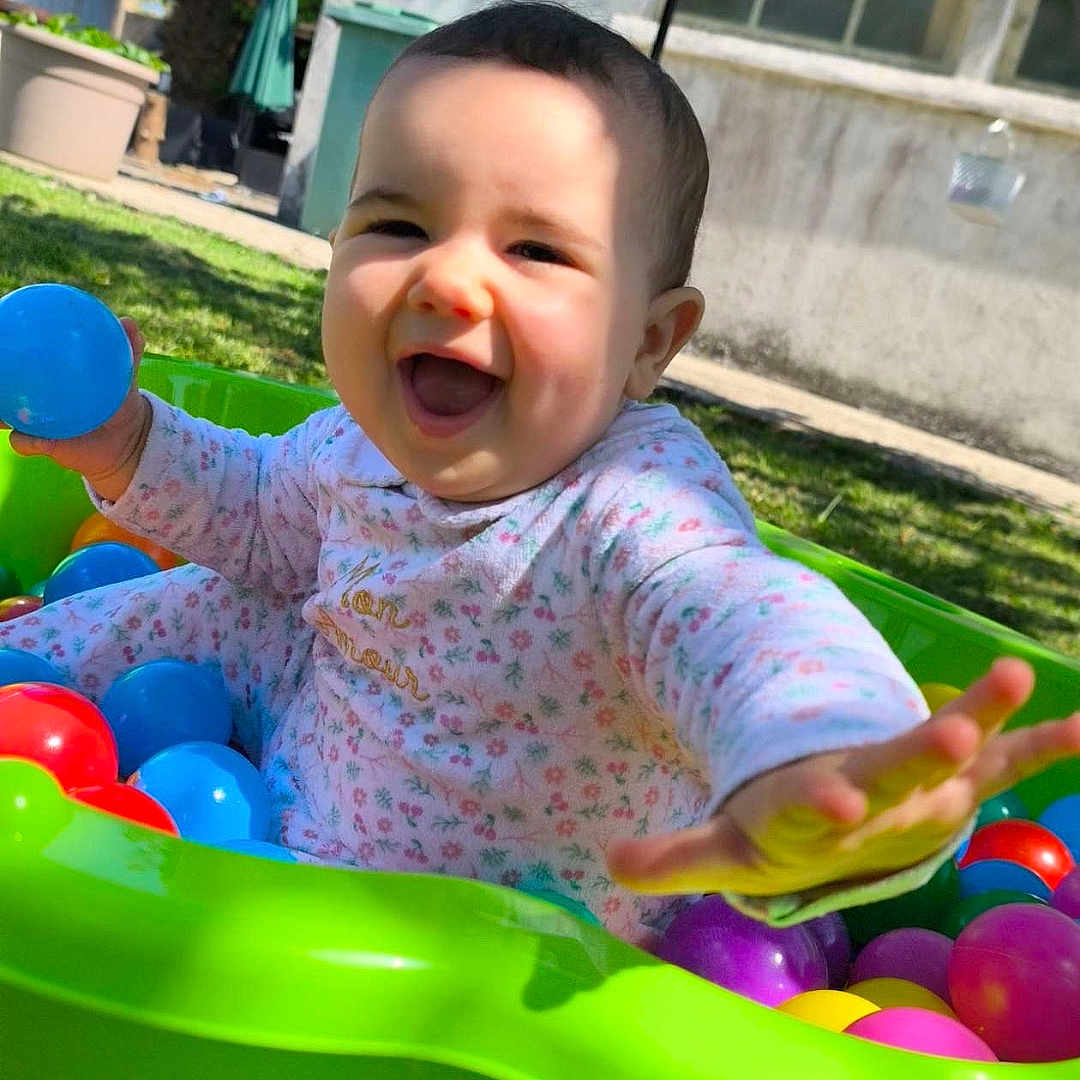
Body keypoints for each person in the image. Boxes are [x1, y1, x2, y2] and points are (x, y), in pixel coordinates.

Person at [4, 1, 1077, 946]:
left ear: (652, 342)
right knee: (226, 597)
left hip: (495, 932)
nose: (450, 278)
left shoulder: (636, 505)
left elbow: (738, 617)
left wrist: (821, 756)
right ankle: (22, 659)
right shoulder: (354, 447)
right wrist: (123, 438)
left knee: (253, 601)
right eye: (397, 223)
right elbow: (250, 508)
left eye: (539, 252)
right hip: (290, 755)